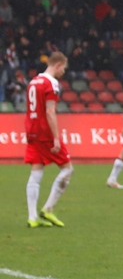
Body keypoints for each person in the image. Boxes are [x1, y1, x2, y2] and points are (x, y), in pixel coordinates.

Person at [24, 52, 74, 228]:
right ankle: (48, 208)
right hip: (45, 133)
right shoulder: (51, 83)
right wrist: (56, 138)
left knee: (36, 172)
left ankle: (32, 217)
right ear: (58, 64)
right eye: (63, 68)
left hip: (32, 130)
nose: (63, 72)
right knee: (67, 169)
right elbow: (50, 111)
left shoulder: (33, 81)